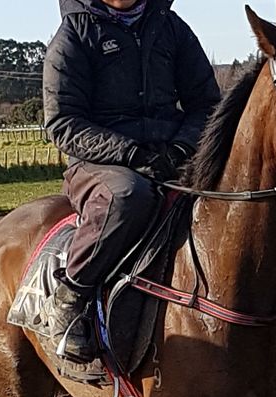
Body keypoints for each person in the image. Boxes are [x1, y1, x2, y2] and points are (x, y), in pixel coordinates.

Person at [42, 0, 222, 370]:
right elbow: (63, 123)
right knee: (128, 196)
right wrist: (131, 153)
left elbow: (207, 103)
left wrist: (181, 146)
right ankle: (71, 297)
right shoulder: (74, 34)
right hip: (100, 164)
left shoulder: (171, 26)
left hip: (172, 154)